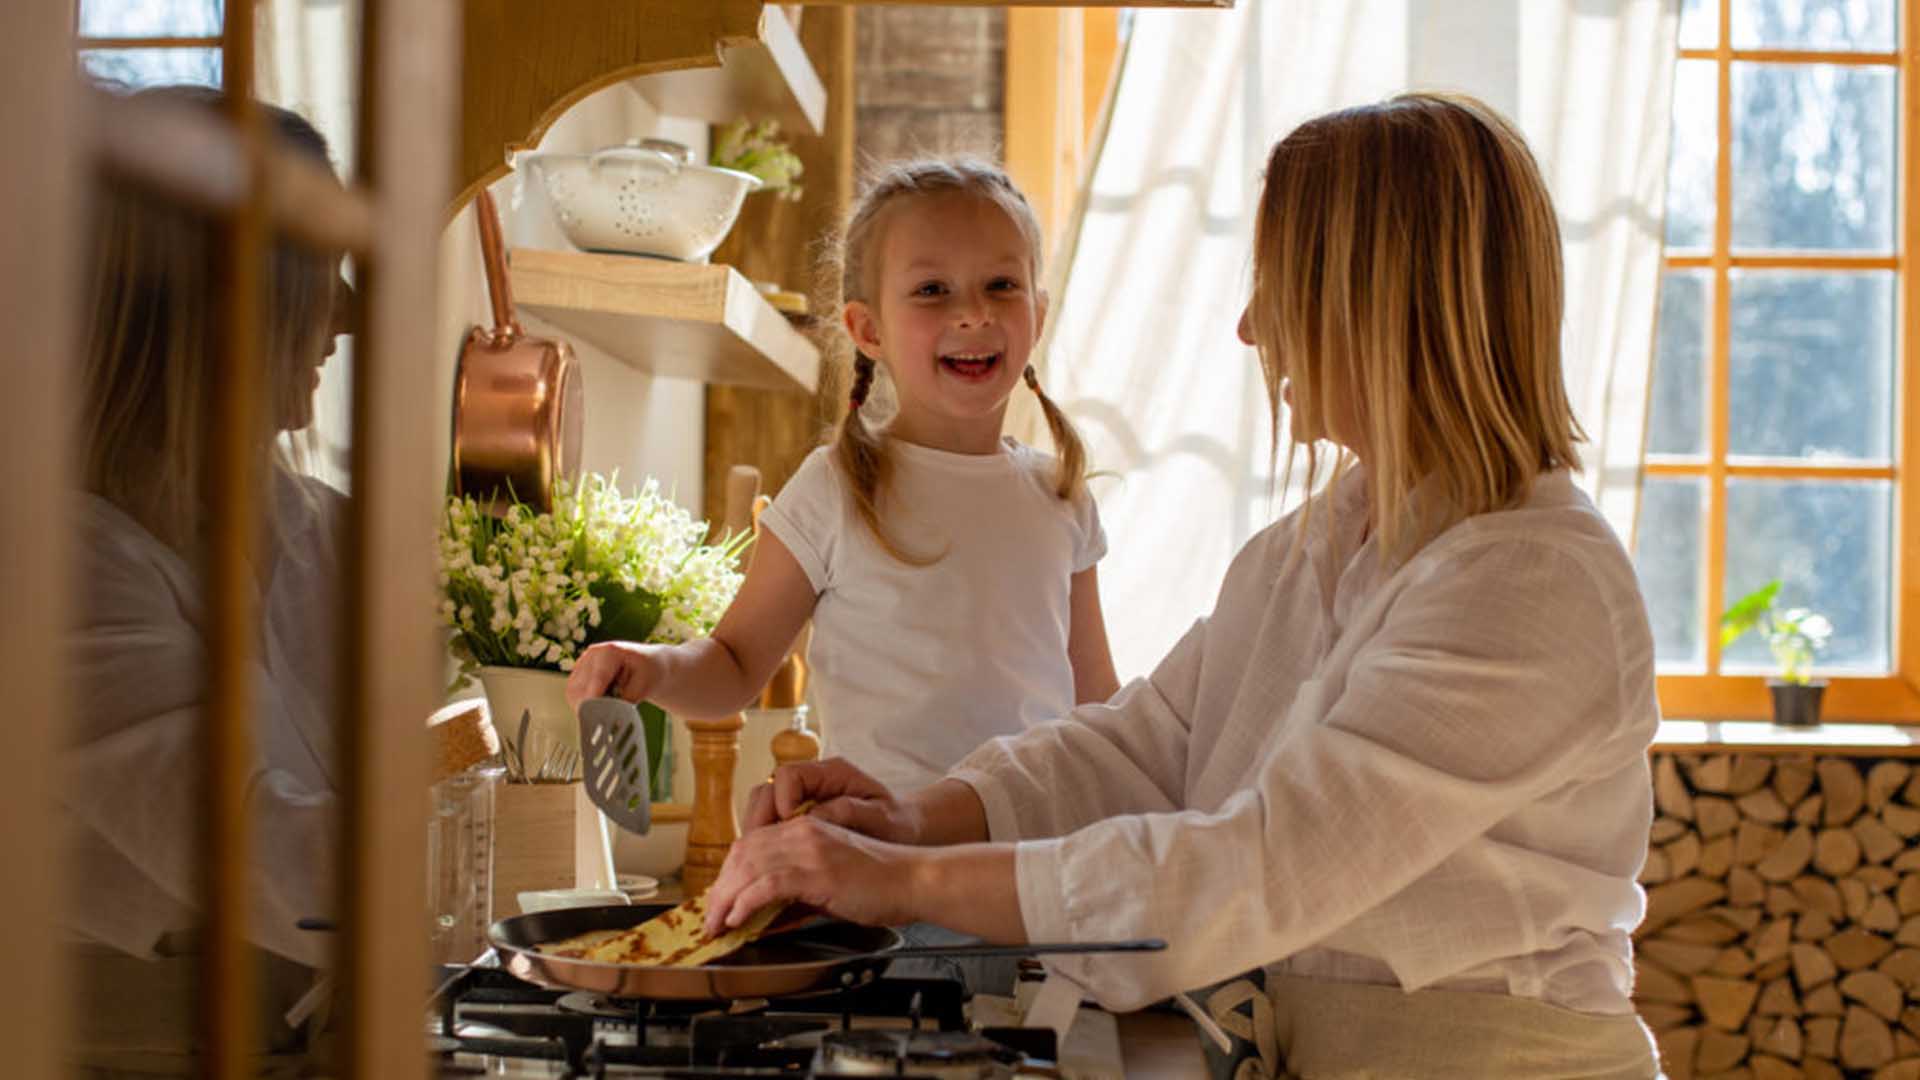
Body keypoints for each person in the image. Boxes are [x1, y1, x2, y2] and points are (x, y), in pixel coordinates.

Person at [701, 93, 1662, 1079]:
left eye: (1277, 285)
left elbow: (1259, 866)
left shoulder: (1529, 581)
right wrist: (907, 818)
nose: (1250, 329)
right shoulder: (1316, 547)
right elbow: (1146, 741)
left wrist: (905, 879)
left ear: (1378, 304)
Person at [567, 158, 1119, 796]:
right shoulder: (835, 488)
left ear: (1039, 313)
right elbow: (735, 664)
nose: (973, 314)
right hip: (875, 861)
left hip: (1023, 863)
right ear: (867, 329)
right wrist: (650, 670)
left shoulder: (1060, 497)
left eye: (1001, 284)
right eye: (933, 290)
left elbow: (1098, 710)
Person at [65, 85, 354, 1076]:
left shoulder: (323, 530)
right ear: (213, 297)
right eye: (319, 269)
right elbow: (255, 847)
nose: (348, 312)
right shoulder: (62, 573)